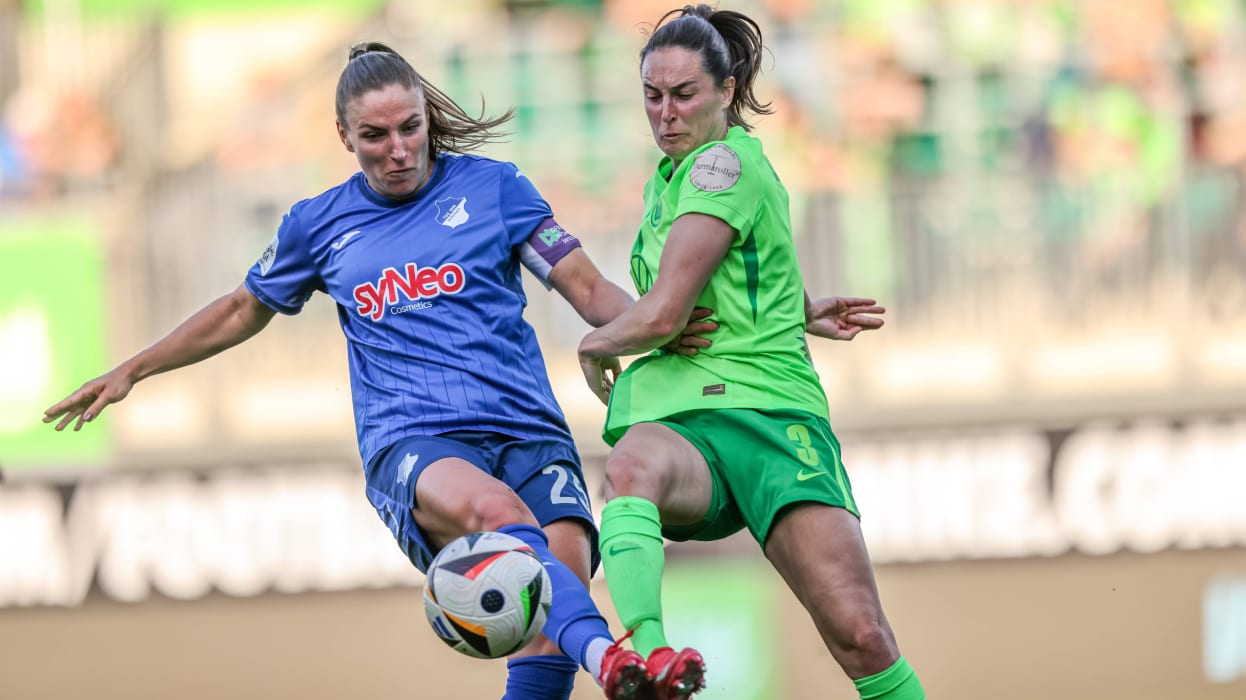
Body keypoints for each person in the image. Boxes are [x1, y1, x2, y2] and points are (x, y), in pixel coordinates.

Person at [41, 41, 708, 700]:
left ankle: (596, 656)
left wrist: (664, 323)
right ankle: (615, 660)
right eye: (375, 135)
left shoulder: (495, 190)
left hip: (529, 429)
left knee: (552, 598)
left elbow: (589, 291)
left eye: (411, 128)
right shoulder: (318, 225)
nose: (398, 150)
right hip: (417, 439)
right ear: (342, 135)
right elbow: (242, 310)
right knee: (497, 517)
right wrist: (135, 369)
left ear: (426, 116)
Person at [577, 6, 927, 700]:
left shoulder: (721, 161)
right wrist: (793, 307)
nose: (665, 113)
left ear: (727, 90)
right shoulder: (665, 182)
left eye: (684, 95)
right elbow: (720, 286)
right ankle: (650, 657)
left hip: (770, 419)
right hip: (688, 422)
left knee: (860, 636)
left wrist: (598, 344)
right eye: (653, 95)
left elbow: (666, 312)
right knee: (629, 466)